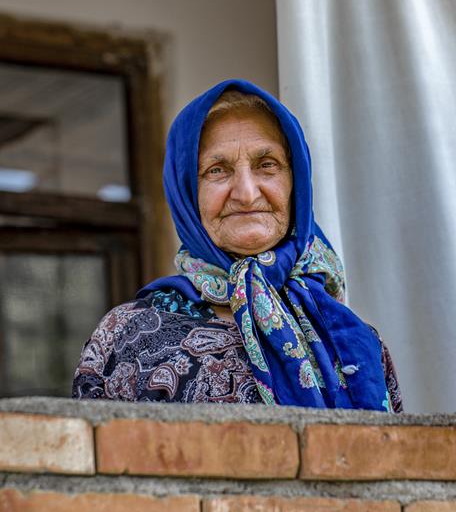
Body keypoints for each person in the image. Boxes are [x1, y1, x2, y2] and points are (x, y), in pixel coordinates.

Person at [72, 79, 402, 411]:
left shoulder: (359, 341)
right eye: (218, 170)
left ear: (296, 183)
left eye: (267, 165)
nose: (246, 193)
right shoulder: (129, 336)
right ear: (187, 193)